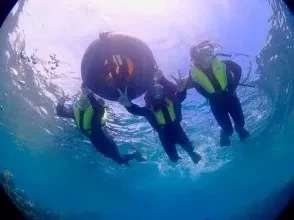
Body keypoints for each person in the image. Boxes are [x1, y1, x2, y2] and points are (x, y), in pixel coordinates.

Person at [118, 69, 202, 164]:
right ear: (150, 95)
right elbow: (137, 110)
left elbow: (180, 97)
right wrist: (128, 104)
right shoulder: (149, 110)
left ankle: (192, 155)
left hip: (177, 129)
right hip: (164, 135)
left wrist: (181, 89)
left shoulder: (172, 100)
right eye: (154, 91)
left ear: (164, 91)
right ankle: (178, 158)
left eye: (160, 89)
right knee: (173, 159)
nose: (158, 92)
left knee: (190, 150)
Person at [56, 83, 146, 166]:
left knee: (119, 161)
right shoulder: (75, 113)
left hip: (106, 142)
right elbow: (60, 112)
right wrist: (61, 103)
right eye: (80, 98)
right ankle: (126, 157)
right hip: (97, 142)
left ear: (89, 102)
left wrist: (89, 94)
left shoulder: (94, 114)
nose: (81, 100)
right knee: (116, 158)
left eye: (84, 98)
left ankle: (135, 154)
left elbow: (100, 110)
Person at [186, 41, 250, 146]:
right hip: (216, 103)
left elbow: (238, 69)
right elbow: (196, 86)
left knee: (240, 124)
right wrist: (209, 96)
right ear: (196, 57)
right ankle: (224, 134)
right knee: (228, 130)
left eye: (211, 52)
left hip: (231, 97)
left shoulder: (223, 64)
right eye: (206, 53)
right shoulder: (193, 73)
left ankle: (239, 130)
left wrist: (233, 86)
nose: (211, 55)